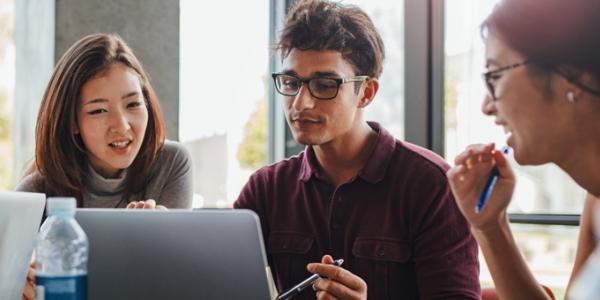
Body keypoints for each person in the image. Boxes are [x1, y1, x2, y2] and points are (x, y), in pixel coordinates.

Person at [234, 0, 479, 299]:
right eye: (290, 82)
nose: (301, 104)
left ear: (366, 92)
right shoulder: (267, 188)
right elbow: (213, 278)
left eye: (325, 85)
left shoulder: (431, 184)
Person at [15, 33, 193, 300]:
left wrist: (161, 236)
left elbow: (172, 282)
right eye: (99, 110)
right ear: (72, 122)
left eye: (133, 104)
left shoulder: (172, 162)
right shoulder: (37, 191)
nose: (121, 125)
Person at [446, 0, 600, 299]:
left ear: (571, 75)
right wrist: (489, 226)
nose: (487, 106)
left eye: (495, 76)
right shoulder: (595, 202)